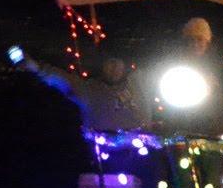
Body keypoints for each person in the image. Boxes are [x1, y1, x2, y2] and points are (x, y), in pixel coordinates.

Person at [13, 49, 148, 132]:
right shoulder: (88, 89)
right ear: (102, 65)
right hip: (105, 156)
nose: (115, 67)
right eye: (110, 62)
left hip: (146, 150)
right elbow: (60, 79)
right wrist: (34, 66)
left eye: (119, 62)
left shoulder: (139, 83)